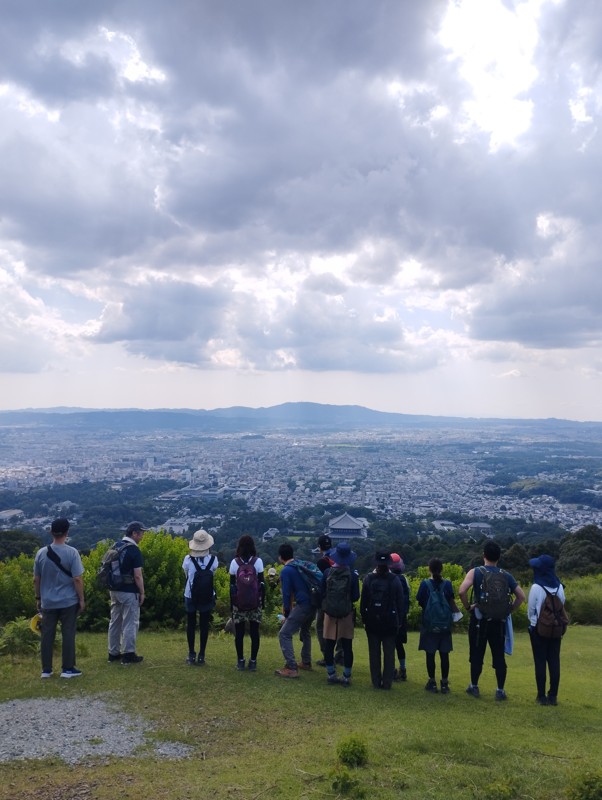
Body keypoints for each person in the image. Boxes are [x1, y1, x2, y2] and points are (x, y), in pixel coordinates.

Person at [458, 540, 526, 700]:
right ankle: (500, 690)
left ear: (484, 556)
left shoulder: (475, 572)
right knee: (498, 656)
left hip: (479, 621)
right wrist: (508, 610)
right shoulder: (505, 575)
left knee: (477, 654)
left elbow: (462, 591)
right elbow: (521, 596)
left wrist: (469, 607)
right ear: (499, 557)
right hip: (499, 622)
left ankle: (474, 686)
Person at [33, 518, 85, 679]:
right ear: (67, 532)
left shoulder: (41, 553)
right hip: (68, 601)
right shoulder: (72, 552)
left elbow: (36, 579)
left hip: (48, 601)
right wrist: (81, 599)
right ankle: (68, 669)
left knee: (47, 635)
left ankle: (46, 670)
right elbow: (77, 579)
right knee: (68, 633)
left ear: (51, 532)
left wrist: (38, 597)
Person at [360, 551, 404, 690]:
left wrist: (365, 618)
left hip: (372, 621)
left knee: (374, 653)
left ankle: (375, 681)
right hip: (390, 622)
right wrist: (399, 621)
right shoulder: (395, 580)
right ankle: (387, 682)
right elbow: (400, 603)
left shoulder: (369, 579)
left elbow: (364, 603)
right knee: (389, 653)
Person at [416, 557, 460, 693]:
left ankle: (432, 682)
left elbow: (421, 601)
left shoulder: (425, 584)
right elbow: (450, 599)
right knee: (444, 654)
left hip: (429, 625)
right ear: (442, 569)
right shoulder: (447, 584)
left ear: (429, 569)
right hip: (445, 625)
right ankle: (445, 683)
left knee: (430, 654)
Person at [527, 554, 566, 706]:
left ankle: (541, 696)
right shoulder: (559, 587)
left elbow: (531, 611)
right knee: (554, 661)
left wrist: (533, 624)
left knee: (540, 661)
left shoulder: (536, 587)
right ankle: (553, 696)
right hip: (556, 629)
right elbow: (562, 604)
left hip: (539, 629)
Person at [320, 541, 360, 686]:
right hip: (346, 614)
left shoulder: (327, 573)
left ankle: (331, 674)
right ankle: (346, 677)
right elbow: (356, 596)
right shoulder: (352, 576)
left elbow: (321, 592)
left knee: (329, 645)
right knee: (347, 646)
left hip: (330, 613)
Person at [108, 521, 147, 665]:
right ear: (134, 533)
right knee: (130, 622)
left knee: (115, 621)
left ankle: (113, 653)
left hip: (114, 589)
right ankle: (129, 654)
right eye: (141, 533)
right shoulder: (134, 550)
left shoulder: (116, 546)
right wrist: (142, 592)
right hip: (129, 590)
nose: (142, 536)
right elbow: (137, 575)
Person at [275, 543, 316, 678]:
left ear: (281, 557)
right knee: (305, 630)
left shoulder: (286, 570)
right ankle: (306, 662)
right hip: (313, 603)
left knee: (284, 634)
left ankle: (291, 667)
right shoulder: (299, 564)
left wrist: (286, 613)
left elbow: (287, 594)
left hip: (303, 605)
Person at [182, 528, 218, 665]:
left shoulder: (188, 559)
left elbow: (186, 573)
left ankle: (191, 654)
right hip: (207, 594)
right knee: (204, 625)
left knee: (191, 624)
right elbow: (212, 573)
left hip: (190, 594)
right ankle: (202, 655)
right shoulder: (214, 560)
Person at [229, 534, 265, 671]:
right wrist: (262, 602)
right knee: (255, 632)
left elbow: (232, 586)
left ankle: (240, 661)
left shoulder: (234, 563)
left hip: (239, 603)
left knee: (239, 633)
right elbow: (262, 584)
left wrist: (232, 605)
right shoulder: (258, 562)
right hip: (255, 602)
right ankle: (253, 661)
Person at [390, 553, 410, 681]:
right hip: (401, 617)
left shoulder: (389, 579)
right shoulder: (404, 579)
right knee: (399, 645)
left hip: (390, 616)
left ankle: (391, 670)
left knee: (389, 645)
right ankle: (403, 670)